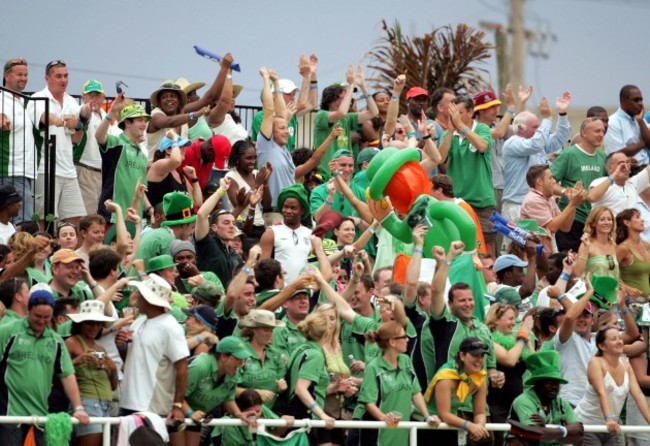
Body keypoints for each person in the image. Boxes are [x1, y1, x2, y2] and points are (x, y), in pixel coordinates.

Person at [0, 287, 89, 446]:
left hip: (40, 417)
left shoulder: (56, 341)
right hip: (9, 416)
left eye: (46, 317)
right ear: (28, 310)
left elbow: (67, 374)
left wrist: (78, 407)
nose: (41, 321)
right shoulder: (8, 332)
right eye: (37, 316)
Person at [117, 274, 189, 446]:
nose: (134, 295)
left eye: (139, 293)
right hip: (128, 402)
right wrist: (121, 347)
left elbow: (182, 368)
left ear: (149, 299)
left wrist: (178, 405)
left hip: (153, 407)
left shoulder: (171, 327)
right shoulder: (138, 323)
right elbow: (131, 361)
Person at [355, 321, 440, 446]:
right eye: (403, 337)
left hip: (401, 434)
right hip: (378, 435)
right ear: (392, 342)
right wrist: (384, 417)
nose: (407, 339)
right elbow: (369, 403)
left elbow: (415, 393)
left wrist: (427, 416)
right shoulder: (374, 367)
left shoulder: (406, 361)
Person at [27, 60, 89, 225]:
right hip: (44, 169)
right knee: (44, 221)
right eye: (59, 76)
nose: (64, 80)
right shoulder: (38, 97)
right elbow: (43, 118)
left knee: (76, 221)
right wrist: (61, 120)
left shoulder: (71, 101)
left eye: (66, 76)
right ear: (47, 78)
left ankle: (67, 252)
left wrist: (79, 125)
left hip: (69, 171)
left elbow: (76, 139)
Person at [438, 95, 496, 256]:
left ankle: (491, 280)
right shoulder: (448, 134)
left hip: (482, 201)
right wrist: (450, 131)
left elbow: (482, 146)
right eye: (452, 113)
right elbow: (440, 158)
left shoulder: (482, 129)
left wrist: (462, 127)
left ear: (470, 112)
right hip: (458, 202)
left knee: (487, 248)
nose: (455, 117)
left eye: (459, 112)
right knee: (460, 247)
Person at [575, 326, 650, 446]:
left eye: (620, 338)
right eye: (614, 339)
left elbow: (639, 395)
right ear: (602, 346)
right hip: (588, 425)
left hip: (611, 427)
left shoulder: (626, 365)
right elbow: (601, 392)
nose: (619, 341)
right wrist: (608, 418)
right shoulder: (596, 362)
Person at [502, 93, 572, 222]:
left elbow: (560, 139)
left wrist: (562, 114)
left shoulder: (536, 142)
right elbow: (535, 144)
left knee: (545, 242)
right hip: (518, 206)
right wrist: (547, 118)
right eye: (535, 127)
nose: (540, 130)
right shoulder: (512, 143)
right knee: (518, 243)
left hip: (539, 204)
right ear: (521, 129)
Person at [182, 336, 257, 446]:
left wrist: (239, 414)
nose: (241, 363)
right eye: (238, 358)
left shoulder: (233, 372)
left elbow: (228, 398)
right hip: (174, 412)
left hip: (197, 418)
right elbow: (175, 394)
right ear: (223, 357)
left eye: (243, 359)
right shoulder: (200, 367)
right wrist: (190, 413)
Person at [65, 300, 118, 446]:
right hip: (86, 402)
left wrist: (112, 368)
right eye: (90, 323)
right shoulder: (72, 342)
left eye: (98, 323)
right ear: (81, 323)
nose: (94, 327)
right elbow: (57, 372)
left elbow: (113, 386)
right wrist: (77, 361)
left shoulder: (101, 348)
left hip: (106, 404)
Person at [312, 65, 378, 178]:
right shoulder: (321, 115)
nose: (348, 100)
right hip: (326, 175)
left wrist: (363, 86)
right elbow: (340, 113)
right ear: (330, 100)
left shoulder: (347, 118)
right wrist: (351, 85)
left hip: (346, 175)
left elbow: (374, 112)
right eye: (342, 97)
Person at [552, 118, 607, 252]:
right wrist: (566, 192)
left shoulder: (603, 157)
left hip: (594, 221)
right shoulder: (569, 155)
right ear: (584, 133)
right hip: (572, 219)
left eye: (603, 131)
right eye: (597, 131)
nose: (601, 135)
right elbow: (550, 184)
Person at [423, 337, 490, 446]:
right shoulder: (446, 378)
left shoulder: (479, 377)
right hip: (427, 424)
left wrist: (479, 426)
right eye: (474, 355)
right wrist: (469, 425)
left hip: (450, 424)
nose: (479, 359)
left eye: (481, 355)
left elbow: (480, 413)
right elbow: (444, 414)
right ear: (462, 356)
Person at [95, 95, 151, 223]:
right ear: (127, 123)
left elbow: (141, 189)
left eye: (145, 121)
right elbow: (99, 136)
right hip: (113, 217)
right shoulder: (117, 143)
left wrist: (150, 209)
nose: (144, 124)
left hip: (134, 219)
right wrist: (112, 111)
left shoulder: (142, 155)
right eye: (140, 120)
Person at [509, 351, 584, 446]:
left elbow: (579, 434)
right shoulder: (523, 401)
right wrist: (565, 430)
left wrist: (545, 430)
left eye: (556, 382)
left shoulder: (561, 402)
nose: (554, 386)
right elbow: (534, 435)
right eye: (549, 382)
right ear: (537, 383)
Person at [283, 311, 336, 443]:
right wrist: (322, 414)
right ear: (326, 333)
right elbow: (300, 389)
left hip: (296, 414)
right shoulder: (315, 355)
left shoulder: (299, 349)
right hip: (305, 418)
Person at [485, 304, 534, 446]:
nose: (514, 323)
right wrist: (522, 336)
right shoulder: (489, 339)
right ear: (496, 320)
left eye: (515, 319)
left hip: (517, 405)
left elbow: (536, 365)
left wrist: (528, 340)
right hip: (496, 406)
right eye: (510, 319)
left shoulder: (517, 341)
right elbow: (510, 360)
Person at [521, 164, 586, 254]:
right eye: (551, 178)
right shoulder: (533, 200)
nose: (554, 181)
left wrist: (573, 203)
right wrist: (572, 204)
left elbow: (565, 227)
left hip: (545, 254)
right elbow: (551, 227)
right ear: (539, 181)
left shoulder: (549, 198)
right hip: (533, 256)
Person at [0, 58, 36, 223]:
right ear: (6, 76)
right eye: (19, 74)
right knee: (22, 222)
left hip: (25, 170)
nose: (23, 78)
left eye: (26, 75)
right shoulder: (1, 99)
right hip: (10, 169)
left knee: (19, 221)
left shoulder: (25, 102)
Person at [260, 184, 312, 284]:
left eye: (293, 208)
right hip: (280, 293)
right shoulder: (271, 233)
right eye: (285, 207)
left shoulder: (309, 234)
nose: (288, 211)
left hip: (304, 290)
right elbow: (263, 269)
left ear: (302, 210)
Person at [195, 180, 243, 287]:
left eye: (233, 223)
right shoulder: (208, 245)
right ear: (214, 227)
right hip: (208, 299)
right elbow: (201, 214)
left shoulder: (235, 255)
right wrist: (221, 190)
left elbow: (244, 276)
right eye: (226, 223)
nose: (232, 226)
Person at [236, 309, 287, 408]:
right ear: (253, 329)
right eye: (266, 330)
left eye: (271, 330)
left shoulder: (275, 354)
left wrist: (282, 388)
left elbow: (280, 385)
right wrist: (255, 393)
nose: (270, 334)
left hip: (271, 414)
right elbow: (228, 389)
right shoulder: (240, 352)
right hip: (245, 412)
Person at [74, 79, 111, 215]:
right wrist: (86, 111)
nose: (93, 98)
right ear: (83, 97)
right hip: (86, 168)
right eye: (90, 95)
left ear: (103, 97)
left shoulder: (106, 116)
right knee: (87, 216)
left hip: (103, 173)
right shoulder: (81, 110)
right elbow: (83, 114)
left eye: (97, 95)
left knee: (98, 218)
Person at [147, 133, 203, 210]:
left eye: (184, 147)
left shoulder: (180, 174)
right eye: (180, 147)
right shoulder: (158, 166)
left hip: (179, 220)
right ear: (168, 150)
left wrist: (194, 179)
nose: (184, 149)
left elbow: (197, 202)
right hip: (161, 220)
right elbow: (176, 160)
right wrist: (174, 138)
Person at [589, 151, 650, 216]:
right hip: (608, 225)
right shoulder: (601, 181)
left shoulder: (633, 183)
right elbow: (592, 197)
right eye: (621, 164)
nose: (625, 166)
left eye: (627, 163)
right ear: (609, 168)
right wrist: (614, 175)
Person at [604, 84, 650, 165]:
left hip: (646, 167)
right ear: (623, 101)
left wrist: (640, 121)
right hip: (630, 171)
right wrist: (643, 143)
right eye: (635, 100)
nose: (640, 104)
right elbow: (618, 155)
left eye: (641, 100)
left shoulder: (639, 119)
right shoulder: (613, 122)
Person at [573, 207, 620, 280]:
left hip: (613, 290)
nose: (607, 222)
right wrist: (586, 249)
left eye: (609, 219)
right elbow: (577, 273)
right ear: (593, 223)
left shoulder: (613, 244)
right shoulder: (586, 244)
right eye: (602, 219)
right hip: (593, 290)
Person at [616, 208, 650, 296]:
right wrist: (626, 288)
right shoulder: (623, 248)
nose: (642, 220)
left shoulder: (646, 245)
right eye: (637, 217)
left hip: (646, 302)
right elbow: (607, 273)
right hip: (629, 302)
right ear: (627, 223)